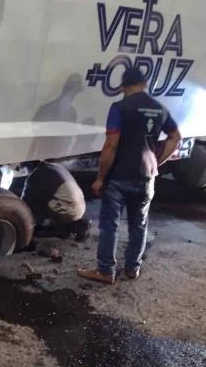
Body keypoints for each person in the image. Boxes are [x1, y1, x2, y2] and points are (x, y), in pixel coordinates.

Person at [78, 67, 182, 284]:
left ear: (125, 86)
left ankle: (106, 271)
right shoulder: (160, 108)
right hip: (147, 177)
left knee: (110, 224)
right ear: (144, 84)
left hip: (119, 176)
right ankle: (132, 269)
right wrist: (157, 160)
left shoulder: (120, 108)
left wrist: (99, 178)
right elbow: (175, 138)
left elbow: (111, 146)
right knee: (139, 224)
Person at [21, 161, 89, 240]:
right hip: (80, 206)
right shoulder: (54, 166)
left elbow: (25, 201)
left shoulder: (36, 174)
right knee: (45, 196)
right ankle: (72, 225)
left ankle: (66, 229)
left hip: (68, 210)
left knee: (34, 202)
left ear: (29, 165)